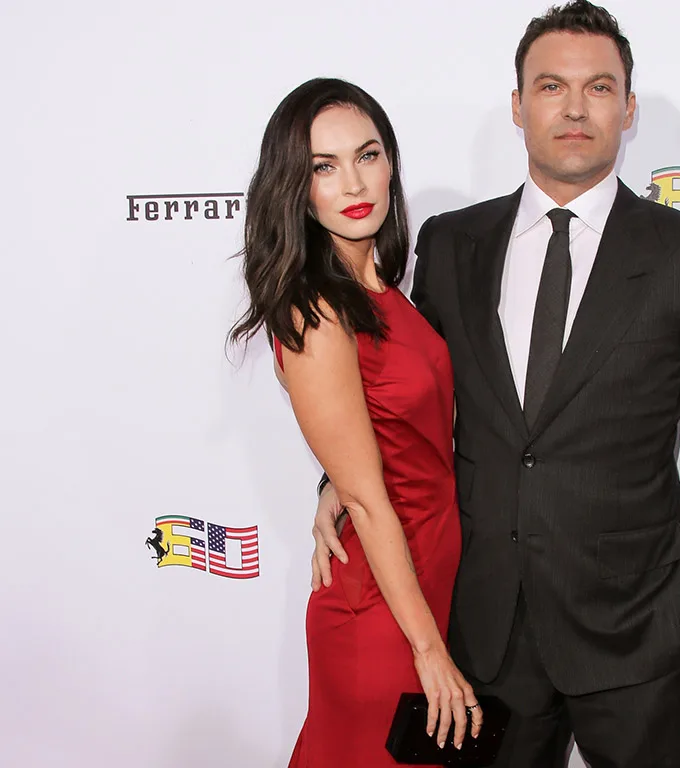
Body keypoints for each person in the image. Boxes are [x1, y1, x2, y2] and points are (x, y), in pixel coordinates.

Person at [312, 2, 680, 766]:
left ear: (628, 107)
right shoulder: (453, 243)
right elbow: (408, 392)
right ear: (519, 107)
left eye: (598, 86)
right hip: (485, 634)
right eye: (551, 86)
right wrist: (335, 477)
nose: (576, 107)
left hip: (642, 636)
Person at [229, 77, 482, 767]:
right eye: (323, 167)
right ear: (297, 187)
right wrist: (426, 648)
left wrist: (329, 484)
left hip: (427, 581)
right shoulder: (312, 310)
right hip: (380, 611)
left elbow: (395, 433)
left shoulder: (382, 290)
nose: (353, 182)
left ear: (391, 161)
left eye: (367, 155)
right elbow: (371, 498)